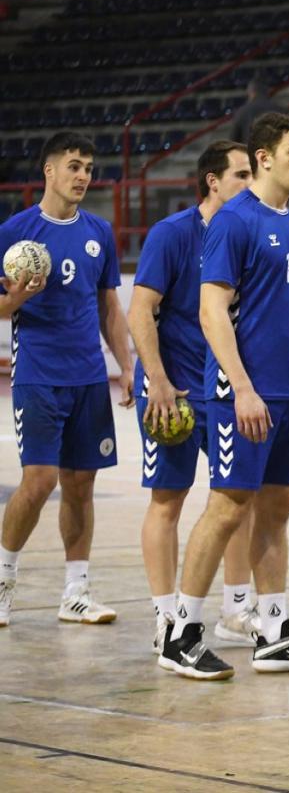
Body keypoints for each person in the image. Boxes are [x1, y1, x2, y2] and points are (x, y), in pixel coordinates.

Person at [158, 112, 289, 679]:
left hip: (287, 394)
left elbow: (287, 320)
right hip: (238, 395)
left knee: (277, 510)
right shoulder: (235, 220)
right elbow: (211, 309)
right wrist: (242, 388)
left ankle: (274, 634)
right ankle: (181, 635)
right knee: (227, 507)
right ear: (264, 158)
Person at [128, 139, 260, 654]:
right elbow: (141, 310)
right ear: (213, 181)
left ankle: (235, 607)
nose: (250, 185)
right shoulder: (173, 234)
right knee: (168, 499)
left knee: (238, 497)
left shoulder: (247, 234)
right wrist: (156, 380)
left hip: (222, 388)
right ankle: (166, 617)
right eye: (241, 175)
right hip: (174, 388)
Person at [0, 131, 134, 628]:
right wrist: (16, 299)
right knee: (39, 482)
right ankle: (3, 578)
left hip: (88, 379)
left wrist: (126, 366)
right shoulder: (14, 232)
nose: (83, 176)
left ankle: (76, 592)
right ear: (49, 171)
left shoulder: (99, 230)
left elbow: (109, 307)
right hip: (38, 374)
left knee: (81, 486)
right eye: (74, 166)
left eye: (89, 168)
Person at [229, 75, 283, 145]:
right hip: (275, 152)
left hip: (251, 152)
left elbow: (233, 141)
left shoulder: (242, 111)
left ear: (252, 92)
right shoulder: (282, 110)